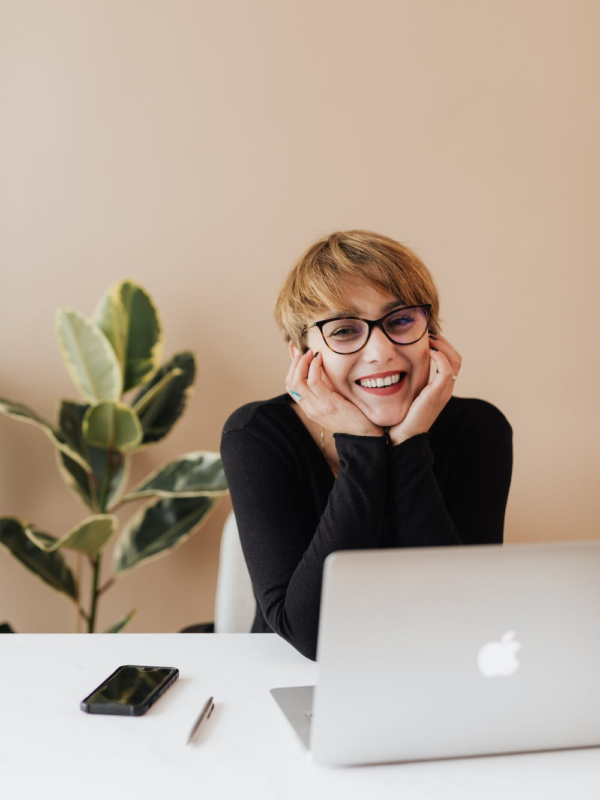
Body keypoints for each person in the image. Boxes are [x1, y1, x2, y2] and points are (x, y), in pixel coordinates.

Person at [221, 230, 513, 661]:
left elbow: (464, 614)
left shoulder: (479, 429)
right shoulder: (257, 435)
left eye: (399, 321)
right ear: (302, 355)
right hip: (290, 679)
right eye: (343, 330)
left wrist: (408, 444)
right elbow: (311, 635)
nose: (380, 352)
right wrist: (361, 445)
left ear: (431, 334)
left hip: (433, 671)